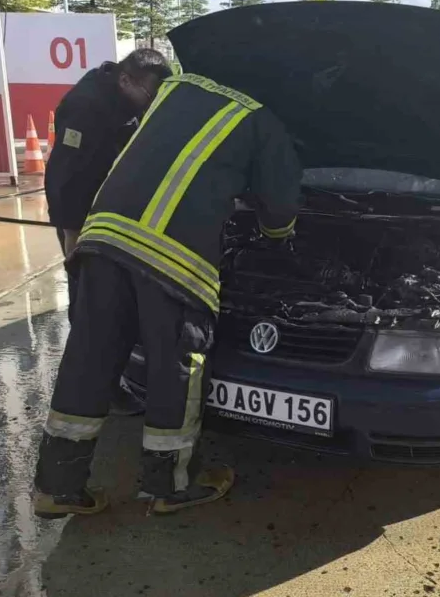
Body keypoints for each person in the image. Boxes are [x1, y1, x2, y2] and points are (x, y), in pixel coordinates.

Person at [33, 73, 302, 518]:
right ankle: (173, 486)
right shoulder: (262, 123)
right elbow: (280, 208)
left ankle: (57, 487)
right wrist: (280, 239)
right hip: (173, 259)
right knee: (176, 367)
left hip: (102, 239)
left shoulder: (178, 88)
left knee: (88, 359)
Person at [44, 49, 173, 309]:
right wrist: (72, 231)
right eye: (149, 97)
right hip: (81, 209)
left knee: (110, 286)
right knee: (86, 287)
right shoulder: (85, 107)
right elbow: (67, 174)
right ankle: (82, 333)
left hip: (110, 203)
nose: (150, 104)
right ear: (125, 81)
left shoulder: (125, 97)